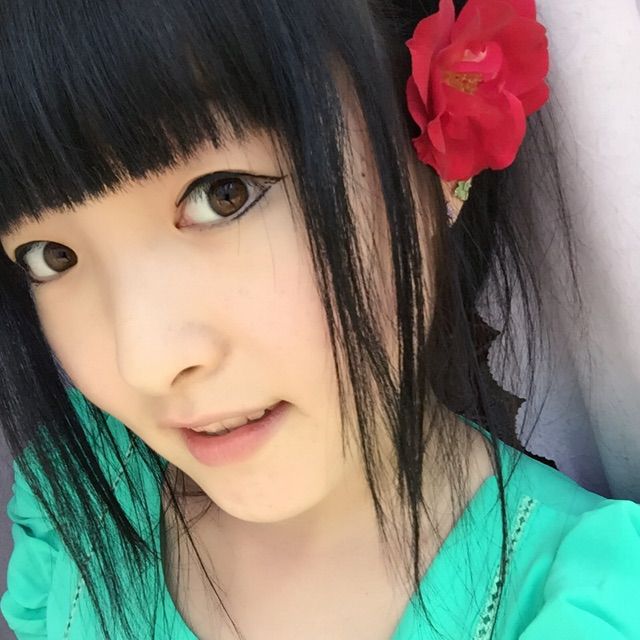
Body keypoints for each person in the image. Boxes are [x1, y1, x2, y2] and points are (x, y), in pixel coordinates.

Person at [0, 0, 638, 638]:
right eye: (51, 257)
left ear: (439, 164)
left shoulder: (586, 604)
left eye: (225, 195)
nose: (145, 362)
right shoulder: (76, 504)